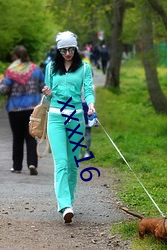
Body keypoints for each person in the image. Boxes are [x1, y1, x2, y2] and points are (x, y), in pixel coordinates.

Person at [42, 31, 95, 223]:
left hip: (76, 117)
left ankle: (70, 201)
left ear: (76, 48)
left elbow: (88, 90)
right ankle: (64, 205)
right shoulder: (50, 68)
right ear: (58, 50)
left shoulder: (84, 68)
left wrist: (90, 104)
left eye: (71, 49)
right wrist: (47, 92)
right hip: (55, 117)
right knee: (61, 162)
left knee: (73, 164)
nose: (67, 53)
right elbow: (48, 97)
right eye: (63, 50)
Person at [0, 45, 45, 175]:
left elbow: (4, 90)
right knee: (31, 137)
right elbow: (43, 87)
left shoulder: (11, 71)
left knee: (17, 138)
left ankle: (17, 166)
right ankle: (32, 163)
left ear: (15, 57)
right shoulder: (36, 70)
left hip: (15, 109)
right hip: (32, 109)